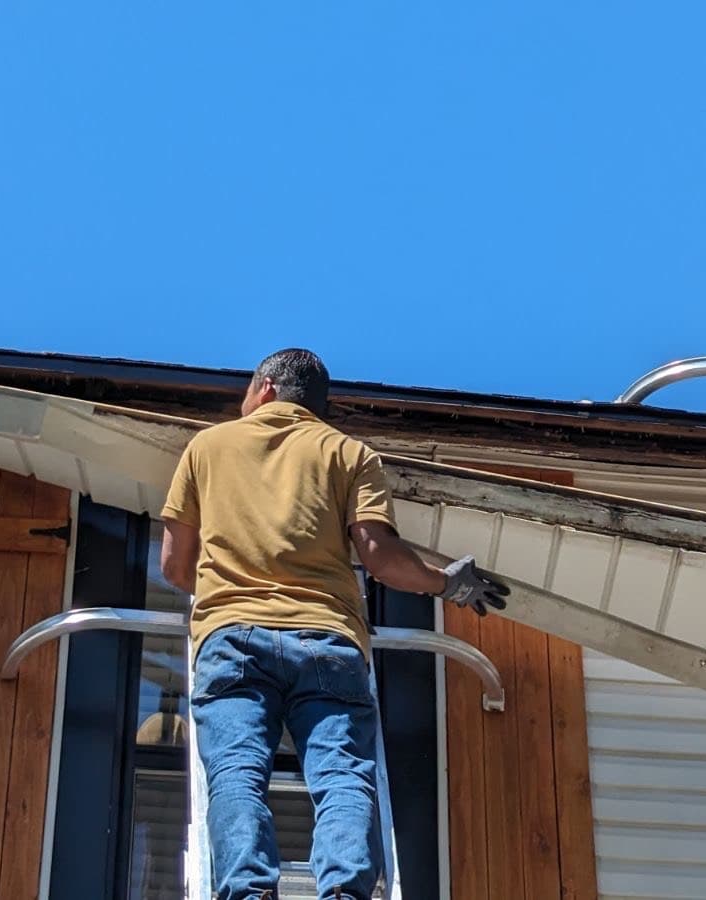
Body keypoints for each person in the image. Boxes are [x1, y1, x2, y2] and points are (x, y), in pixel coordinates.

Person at [161, 347, 508, 900]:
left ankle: (247, 893)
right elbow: (379, 556)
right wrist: (448, 583)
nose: (243, 402)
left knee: (236, 775)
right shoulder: (348, 454)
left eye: (247, 392)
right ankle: (346, 893)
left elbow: (174, 566)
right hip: (326, 640)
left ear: (267, 388)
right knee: (342, 778)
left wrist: (232, 591)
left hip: (232, 639)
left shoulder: (208, 446)